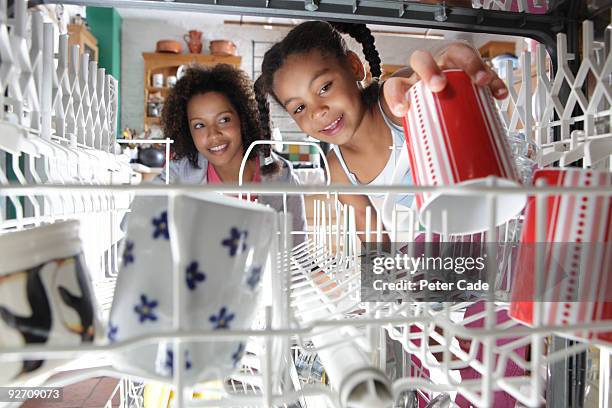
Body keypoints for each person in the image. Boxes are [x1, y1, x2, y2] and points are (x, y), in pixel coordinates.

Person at [254, 21, 507, 241]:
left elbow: (421, 77)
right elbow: (371, 232)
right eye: (299, 107)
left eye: (324, 87)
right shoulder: (338, 169)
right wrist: (382, 289)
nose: (317, 111)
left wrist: (446, 62)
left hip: (496, 226)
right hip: (441, 258)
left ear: (354, 67)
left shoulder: (398, 105)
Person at [157, 64, 306, 245]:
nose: (213, 135)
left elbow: (298, 253)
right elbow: (133, 225)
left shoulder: (283, 178)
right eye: (199, 125)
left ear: (243, 118)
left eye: (224, 120)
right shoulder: (178, 173)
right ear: (188, 132)